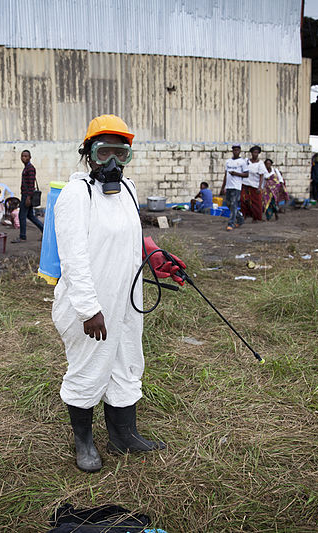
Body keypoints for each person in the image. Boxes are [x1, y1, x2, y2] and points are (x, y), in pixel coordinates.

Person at [52, 114, 184, 472]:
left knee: (127, 363)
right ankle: (84, 444)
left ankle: (124, 437)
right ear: (88, 154)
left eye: (121, 153)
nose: (112, 162)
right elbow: (73, 259)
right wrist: (88, 309)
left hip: (127, 298)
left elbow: (132, 237)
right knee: (89, 369)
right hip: (90, 305)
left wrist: (157, 257)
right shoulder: (75, 195)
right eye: (104, 151)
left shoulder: (128, 189)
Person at [12, 150, 43, 243]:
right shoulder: (27, 168)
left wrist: (28, 197)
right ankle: (45, 231)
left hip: (27, 196)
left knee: (22, 216)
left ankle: (22, 237)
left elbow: (31, 184)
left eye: (26, 156)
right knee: (30, 216)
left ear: (30, 157)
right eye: (22, 156)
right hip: (25, 195)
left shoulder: (30, 168)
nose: (23, 158)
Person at [221, 144, 247, 231]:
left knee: (233, 204)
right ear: (232, 151)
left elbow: (246, 174)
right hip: (228, 186)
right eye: (234, 150)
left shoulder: (242, 162)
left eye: (237, 150)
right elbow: (226, 175)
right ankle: (240, 218)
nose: (236, 151)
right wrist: (223, 186)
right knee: (229, 204)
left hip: (236, 186)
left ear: (239, 151)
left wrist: (236, 174)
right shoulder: (228, 162)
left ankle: (231, 223)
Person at [242, 146, 268, 222]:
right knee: (243, 200)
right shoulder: (246, 161)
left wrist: (259, 187)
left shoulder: (260, 163)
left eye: (256, 153)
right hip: (245, 183)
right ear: (251, 153)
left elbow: (261, 175)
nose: (255, 154)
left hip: (255, 185)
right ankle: (244, 216)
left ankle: (256, 217)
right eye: (254, 152)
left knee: (256, 202)